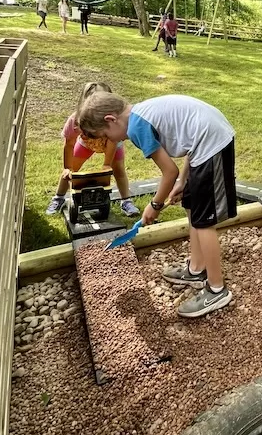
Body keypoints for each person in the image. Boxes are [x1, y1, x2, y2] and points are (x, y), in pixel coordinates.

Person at [76, 92, 236, 319]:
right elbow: (189, 140)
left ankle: (217, 289)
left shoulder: (136, 127)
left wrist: (155, 205)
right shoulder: (139, 114)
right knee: (192, 208)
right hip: (204, 143)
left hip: (213, 143)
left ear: (111, 120)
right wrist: (182, 181)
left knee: (204, 221)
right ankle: (196, 269)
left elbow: (168, 171)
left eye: (106, 135)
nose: (112, 141)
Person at [45, 83, 141, 217]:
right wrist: (67, 167)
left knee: (119, 171)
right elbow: (69, 143)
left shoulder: (112, 121)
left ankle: (126, 201)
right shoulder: (75, 120)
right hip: (87, 144)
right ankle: (58, 198)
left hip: (111, 143)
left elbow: (112, 141)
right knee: (70, 171)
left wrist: (107, 163)